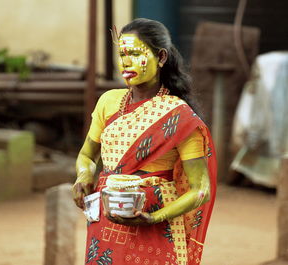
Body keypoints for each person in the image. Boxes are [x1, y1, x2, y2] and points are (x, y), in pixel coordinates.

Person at [72, 18, 217, 265]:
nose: (125, 62)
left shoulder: (179, 116)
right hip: (108, 218)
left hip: (157, 223)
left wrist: (156, 217)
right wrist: (84, 175)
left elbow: (201, 189)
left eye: (135, 53)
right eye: (121, 54)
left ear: (160, 57)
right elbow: (87, 155)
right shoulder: (108, 102)